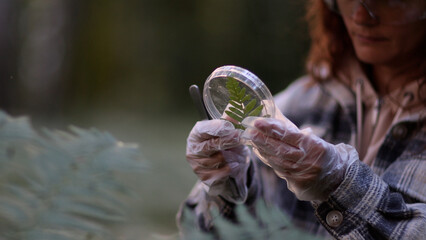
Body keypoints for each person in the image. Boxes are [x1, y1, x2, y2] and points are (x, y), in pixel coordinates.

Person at [177, 0, 426, 239]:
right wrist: (229, 196)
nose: (360, 16)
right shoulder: (299, 104)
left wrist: (342, 187)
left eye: (388, 0)